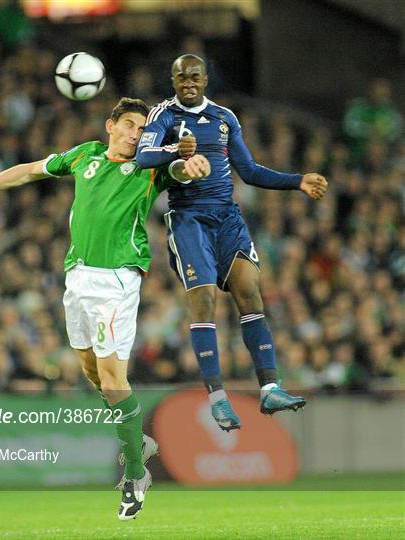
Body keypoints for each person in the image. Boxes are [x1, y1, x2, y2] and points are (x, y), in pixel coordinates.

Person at [0, 97, 210, 519]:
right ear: (111, 126)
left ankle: (135, 475)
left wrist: (193, 164)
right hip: (78, 279)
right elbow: (30, 170)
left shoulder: (150, 167)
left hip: (117, 280)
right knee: (92, 374)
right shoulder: (83, 154)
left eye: (143, 129)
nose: (136, 134)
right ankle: (136, 438)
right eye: (129, 125)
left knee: (111, 376)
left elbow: (185, 168)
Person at [136, 55, 328, 431]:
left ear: (206, 79)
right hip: (189, 219)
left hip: (227, 217)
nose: (188, 82)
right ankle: (218, 398)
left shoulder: (225, 118)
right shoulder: (163, 116)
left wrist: (297, 181)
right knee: (204, 298)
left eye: (194, 76)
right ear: (172, 80)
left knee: (250, 293)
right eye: (180, 77)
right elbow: (144, 157)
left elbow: (251, 171)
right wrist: (178, 150)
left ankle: (269, 388)